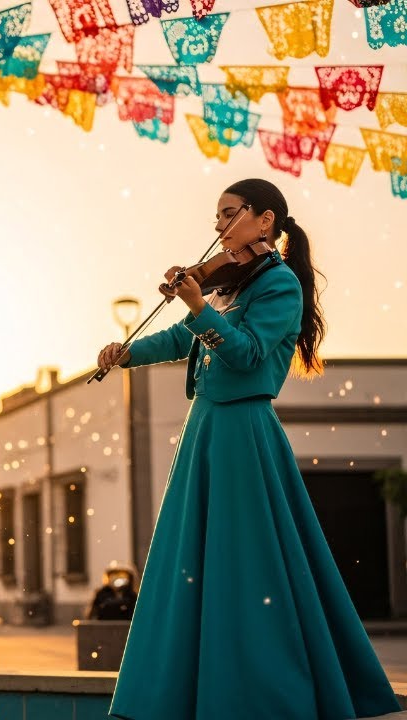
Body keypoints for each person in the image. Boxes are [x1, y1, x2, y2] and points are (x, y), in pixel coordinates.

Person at [97, 178, 398, 719]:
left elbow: (246, 355)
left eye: (229, 214)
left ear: (265, 221)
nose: (218, 227)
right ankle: (180, 688)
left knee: (244, 561)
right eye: (217, 217)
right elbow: (180, 341)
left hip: (243, 431)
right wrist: (125, 354)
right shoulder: (229, 283)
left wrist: (197, 307)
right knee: (189, 560)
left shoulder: (279, 286)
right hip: (206, 428)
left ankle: (255, 690)